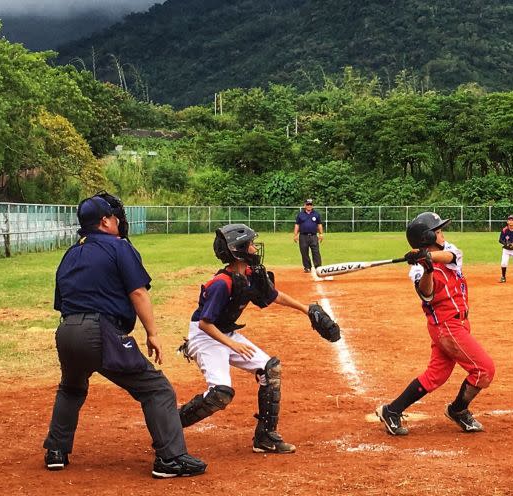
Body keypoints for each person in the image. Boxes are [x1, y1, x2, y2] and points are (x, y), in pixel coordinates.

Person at [43, 191, 206, 478]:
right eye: (114, 216)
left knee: (71, 387)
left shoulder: (70, 253)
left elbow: (62, 302)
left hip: (66, 331)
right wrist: (152, 333)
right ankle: (170, 459)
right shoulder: (119, 247)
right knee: (156, 388)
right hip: (100, 331)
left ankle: (56, 451)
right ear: (105, 221)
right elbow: (138, 292)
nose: (118, 221)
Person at [177, 224, 340, 454]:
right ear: (238, 250)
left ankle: (265, 436)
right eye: (250, 244)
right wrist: (232, 344)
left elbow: (273, 296)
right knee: (221, 393)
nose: (255, 248)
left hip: (226, 332)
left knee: (269, 369)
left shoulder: (250, 275)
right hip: (205, 336)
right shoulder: (222, 284)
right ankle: (170, 425)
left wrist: (306, 309)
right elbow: (205, 323)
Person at [376, 212, 496, 436]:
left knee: (436, 375)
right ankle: (458, 410)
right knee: (484, 369)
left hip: (458, 322)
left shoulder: (446, 249)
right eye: (438, 231)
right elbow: (427, 294)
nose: (443, 235)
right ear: (427, 237)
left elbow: (452, 256)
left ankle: (391, 411)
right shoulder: (418, 270)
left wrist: (430, 257)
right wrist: (427, 268)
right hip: (446, 327)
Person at [293, 198, 324, 272]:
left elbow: (319, 224)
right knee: (304, 252)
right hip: (303, 236)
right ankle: (307, 267)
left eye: (310, 205)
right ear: (305, 205)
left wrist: (321, 234)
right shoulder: (300, 214)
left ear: (312, 206)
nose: (309, 206)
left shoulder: (316, 214)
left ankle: (318, 267)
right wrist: (295, 235)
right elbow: (297, 225)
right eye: (308, 204)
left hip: (313, 236)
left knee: (316, 252)